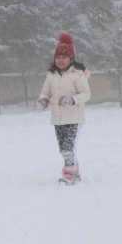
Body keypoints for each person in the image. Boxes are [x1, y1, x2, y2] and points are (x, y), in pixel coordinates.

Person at [37, 33, 91, 185]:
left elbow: (86, 94)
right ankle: (75, 170)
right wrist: (43, 100)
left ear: (71, 58)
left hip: (74, 118)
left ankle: (69, 174)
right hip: (57, 118)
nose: (60, 60)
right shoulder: (51, 75)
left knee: (68, 148)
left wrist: (72, 99)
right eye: (58, 57)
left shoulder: (77, 74)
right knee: (63, 149)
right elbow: (45, 91)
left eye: (64, 57)